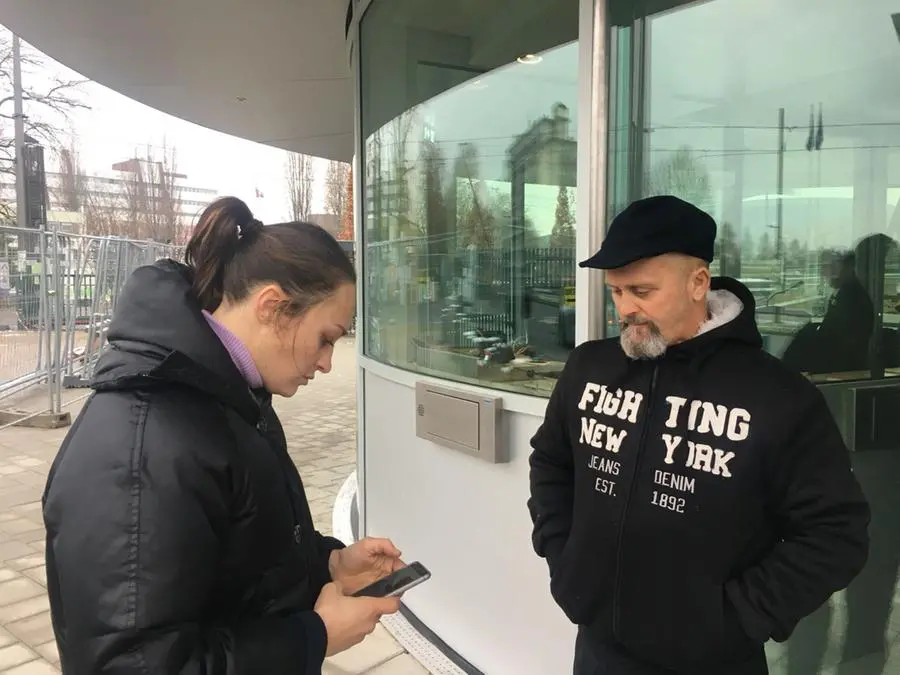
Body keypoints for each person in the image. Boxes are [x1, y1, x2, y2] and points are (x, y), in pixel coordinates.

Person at [43, 197, 403, 674]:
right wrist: (312, 637)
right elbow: (132, 664)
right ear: (273, 307)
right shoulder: (146, 447)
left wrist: (331, 565)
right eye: (326, 337)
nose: (326, 363)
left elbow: (244, 553)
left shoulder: (230, 401)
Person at [527, 195, 870, 675]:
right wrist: (564, 557)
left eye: (643, 291)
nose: (626, 309)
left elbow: (838, 532)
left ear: (698, 283)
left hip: (714, 660)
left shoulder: (775, 394)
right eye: (617, 291)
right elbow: (551, 462)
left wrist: (736, 616)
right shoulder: (590, 367)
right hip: (599, 649)